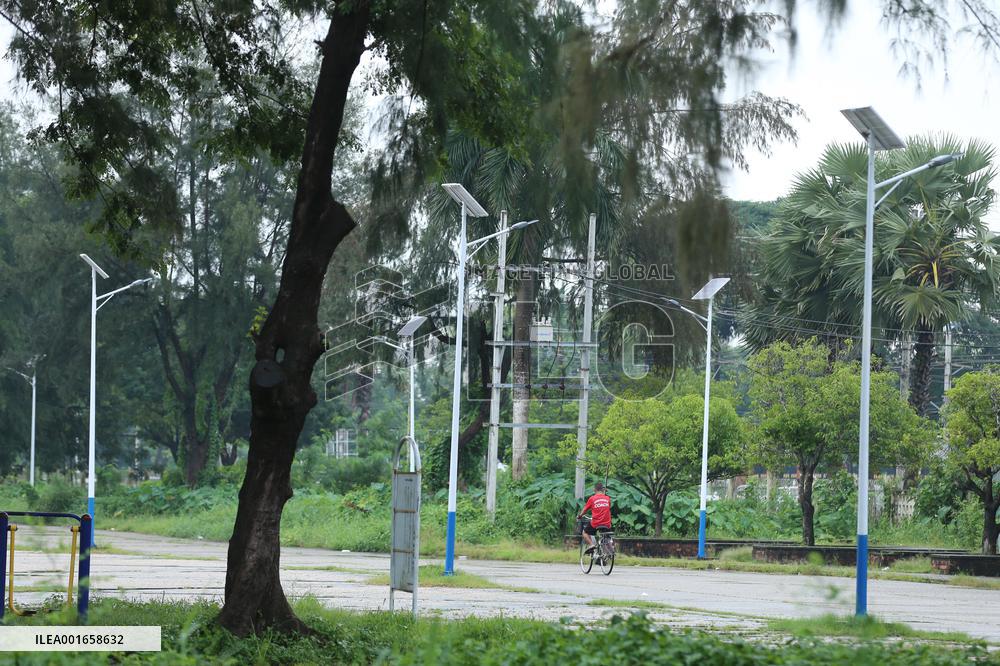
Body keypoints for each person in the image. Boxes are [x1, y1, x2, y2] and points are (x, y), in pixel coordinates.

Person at [577, 481, 612, 553]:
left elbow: (585, 510)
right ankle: (609, 550)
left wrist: (580, 516)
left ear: (594, 490)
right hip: (607, 523)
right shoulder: (607, 498)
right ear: (603, 490)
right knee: (606, 536)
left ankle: (591, 545)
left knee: (585, 532)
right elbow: (608, 507)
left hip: (596, 523)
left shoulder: (592, 498)